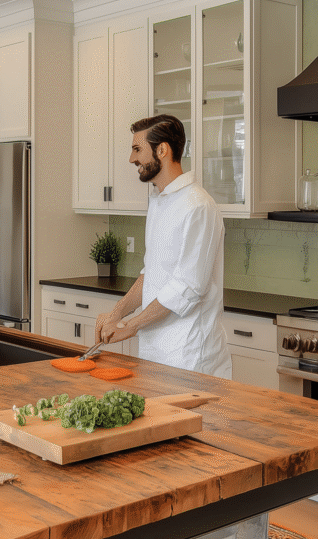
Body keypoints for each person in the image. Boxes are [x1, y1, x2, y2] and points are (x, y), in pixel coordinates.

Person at [95, 114, 231, 378]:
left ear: (162, 150)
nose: (132, 159)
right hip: (154, 352)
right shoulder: (159, 201)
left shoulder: (198, 206)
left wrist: (132, 326)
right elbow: (152, 272)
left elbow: (188, 287)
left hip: (190, 357)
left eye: (137, 149)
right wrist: (117, 313)